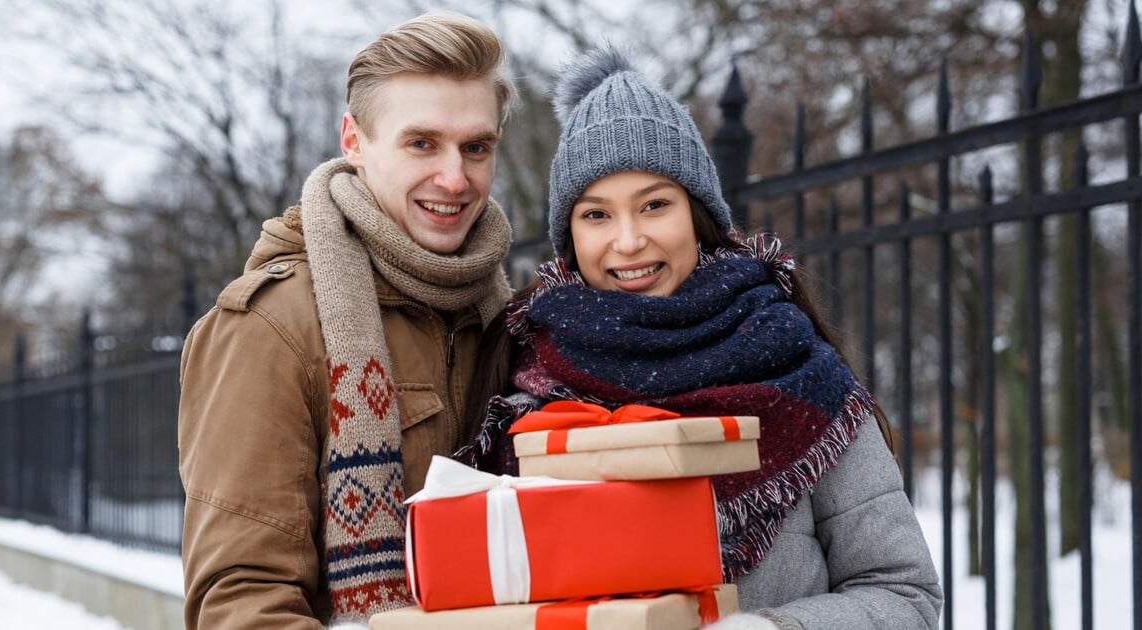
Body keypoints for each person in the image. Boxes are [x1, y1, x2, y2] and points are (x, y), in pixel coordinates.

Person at [459, 46, 943, 630]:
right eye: (596, 214)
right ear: (569, 235)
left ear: (698, 215)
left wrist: (766, 629)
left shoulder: (800, 374)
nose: (629, 240)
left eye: (655, 205)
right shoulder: (524, 379)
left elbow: (903, 594)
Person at [177, 12, 518, 628]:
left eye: (476, 147)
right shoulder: (272, 325)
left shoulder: (509, 320)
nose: (455, 177)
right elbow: (243, 601)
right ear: (354, 140)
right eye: (422, 143)